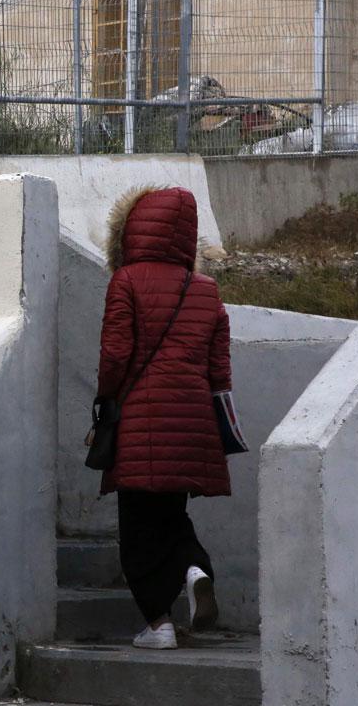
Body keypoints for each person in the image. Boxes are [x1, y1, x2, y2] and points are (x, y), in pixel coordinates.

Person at [95, 186, 231, 650]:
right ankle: (195, 570)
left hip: (140, 420)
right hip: (193, 424)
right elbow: (219, 369)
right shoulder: (206, 290)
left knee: (138, 527)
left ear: (132, 230)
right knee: (171, 515)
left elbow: (116, 354)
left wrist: (105, 399)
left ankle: (159, 625)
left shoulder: (126, 281)